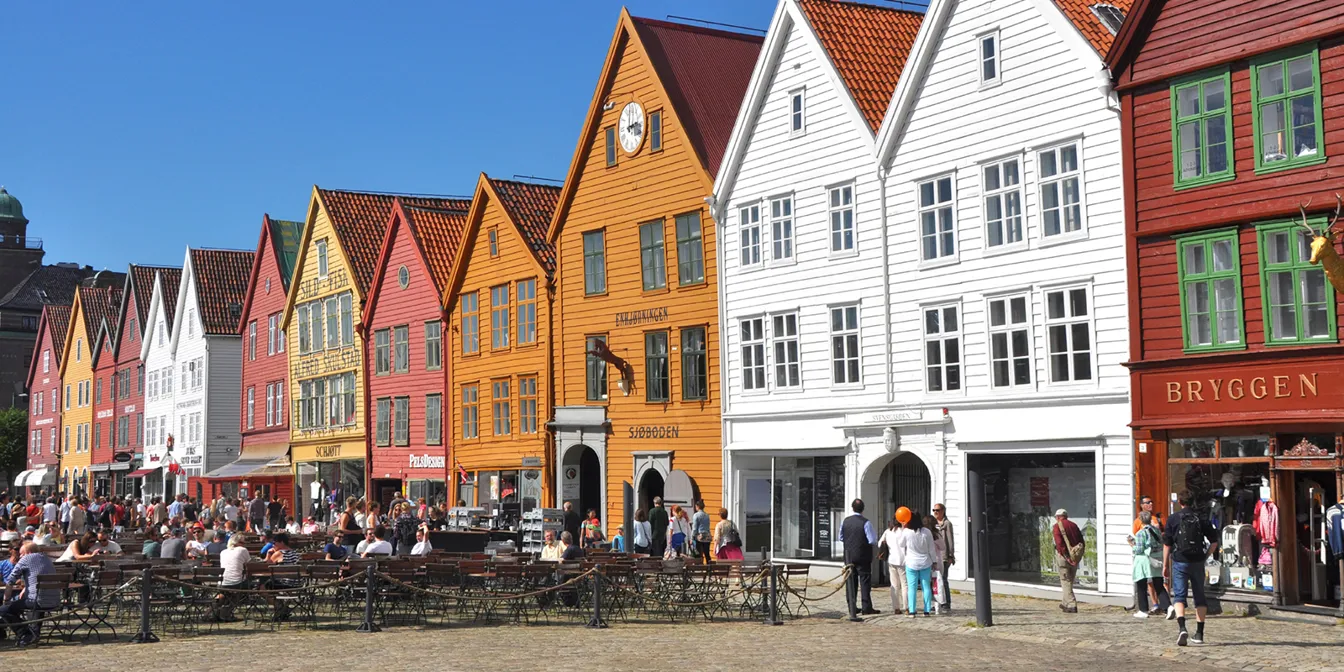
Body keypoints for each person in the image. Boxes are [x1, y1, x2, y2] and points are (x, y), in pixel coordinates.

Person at [1164, 492, 1219, 646]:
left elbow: (1167, 544)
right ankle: (1199, 633)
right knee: (1199, 596)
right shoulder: (1201, 518)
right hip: (1197, 561)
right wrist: (1205, 556)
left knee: (1179, 596)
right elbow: (1214, 542)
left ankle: (1182, 628)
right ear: (1193, 501)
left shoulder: (1173, 518)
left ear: (1180, 501)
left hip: (1180, 560)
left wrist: (1165, 565)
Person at [1, 542, 58, 646]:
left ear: (29, 552)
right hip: (54, 601)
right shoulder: (46, 559)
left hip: (36, 601)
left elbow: (10, 581)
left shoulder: (26, 559)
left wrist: (6, 600)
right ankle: (34, 632)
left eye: (22, 553)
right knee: (31, 600)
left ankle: (26, 634)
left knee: (4, 610)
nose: (20, 556)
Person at [840, 498, 879, 621]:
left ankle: (852, 606)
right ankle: (866, 606)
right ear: (863, 509)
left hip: (849, 556)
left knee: (851, 582)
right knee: (865, 582)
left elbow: (841, 537)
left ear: (852, 508)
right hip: (863, 556)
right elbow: (872, 540)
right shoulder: (866, 522)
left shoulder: (845, 521)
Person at [1132, 510, 1171, 619]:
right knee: (1159, 584)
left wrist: (1132, 545)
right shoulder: (1156, 531)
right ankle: (1168, 606)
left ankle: (1143, 610)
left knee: (1141, 584)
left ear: (1140, 520)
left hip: (1145, 560)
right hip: (1156, 559)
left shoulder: (1141, 533)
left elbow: (1139, 550)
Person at [1130, 495, 1162, 611]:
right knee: (1149, 581)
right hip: (1145, 556)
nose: (1151, 504)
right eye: (1147, 502)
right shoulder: (1137, 521)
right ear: (1142, 505)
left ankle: (1164, 604)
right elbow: (1135, 536)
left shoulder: (1156, 518)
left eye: (1151, 502)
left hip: (1156, 553)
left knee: (1161, 579)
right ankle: (1155, 604)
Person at [1052, 509, 1084, 613]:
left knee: (1065, 581)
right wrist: (1077, 555)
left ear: (1058, 517)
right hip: (1075, 556)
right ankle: (1065, 603)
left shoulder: (1057, 526)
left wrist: (1066, 556)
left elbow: (1059, 544)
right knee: (1070, 580)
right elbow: (1081, 541)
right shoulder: (1074, 525)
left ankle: (1071, 604)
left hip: (1064, 557)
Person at [880, 513, 908, 615]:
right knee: (905, 585)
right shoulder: (904, 531)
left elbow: (879, 543)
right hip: (903, 560)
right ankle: (907, 607)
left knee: (894, 585)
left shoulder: (888, 531)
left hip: (892, 560)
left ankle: (896, 607)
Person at [932, 503, 954, 613]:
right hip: (935, 557)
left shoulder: (947, 524)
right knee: (936, 581)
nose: (935, 512)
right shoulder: (933, 524)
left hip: (944, 556)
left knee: (944, 580)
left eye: (938, 510)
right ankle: (937, 602)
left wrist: (950, 555)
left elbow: (950, 540)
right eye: (934, 510)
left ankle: (946, 603)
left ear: (943, 511)